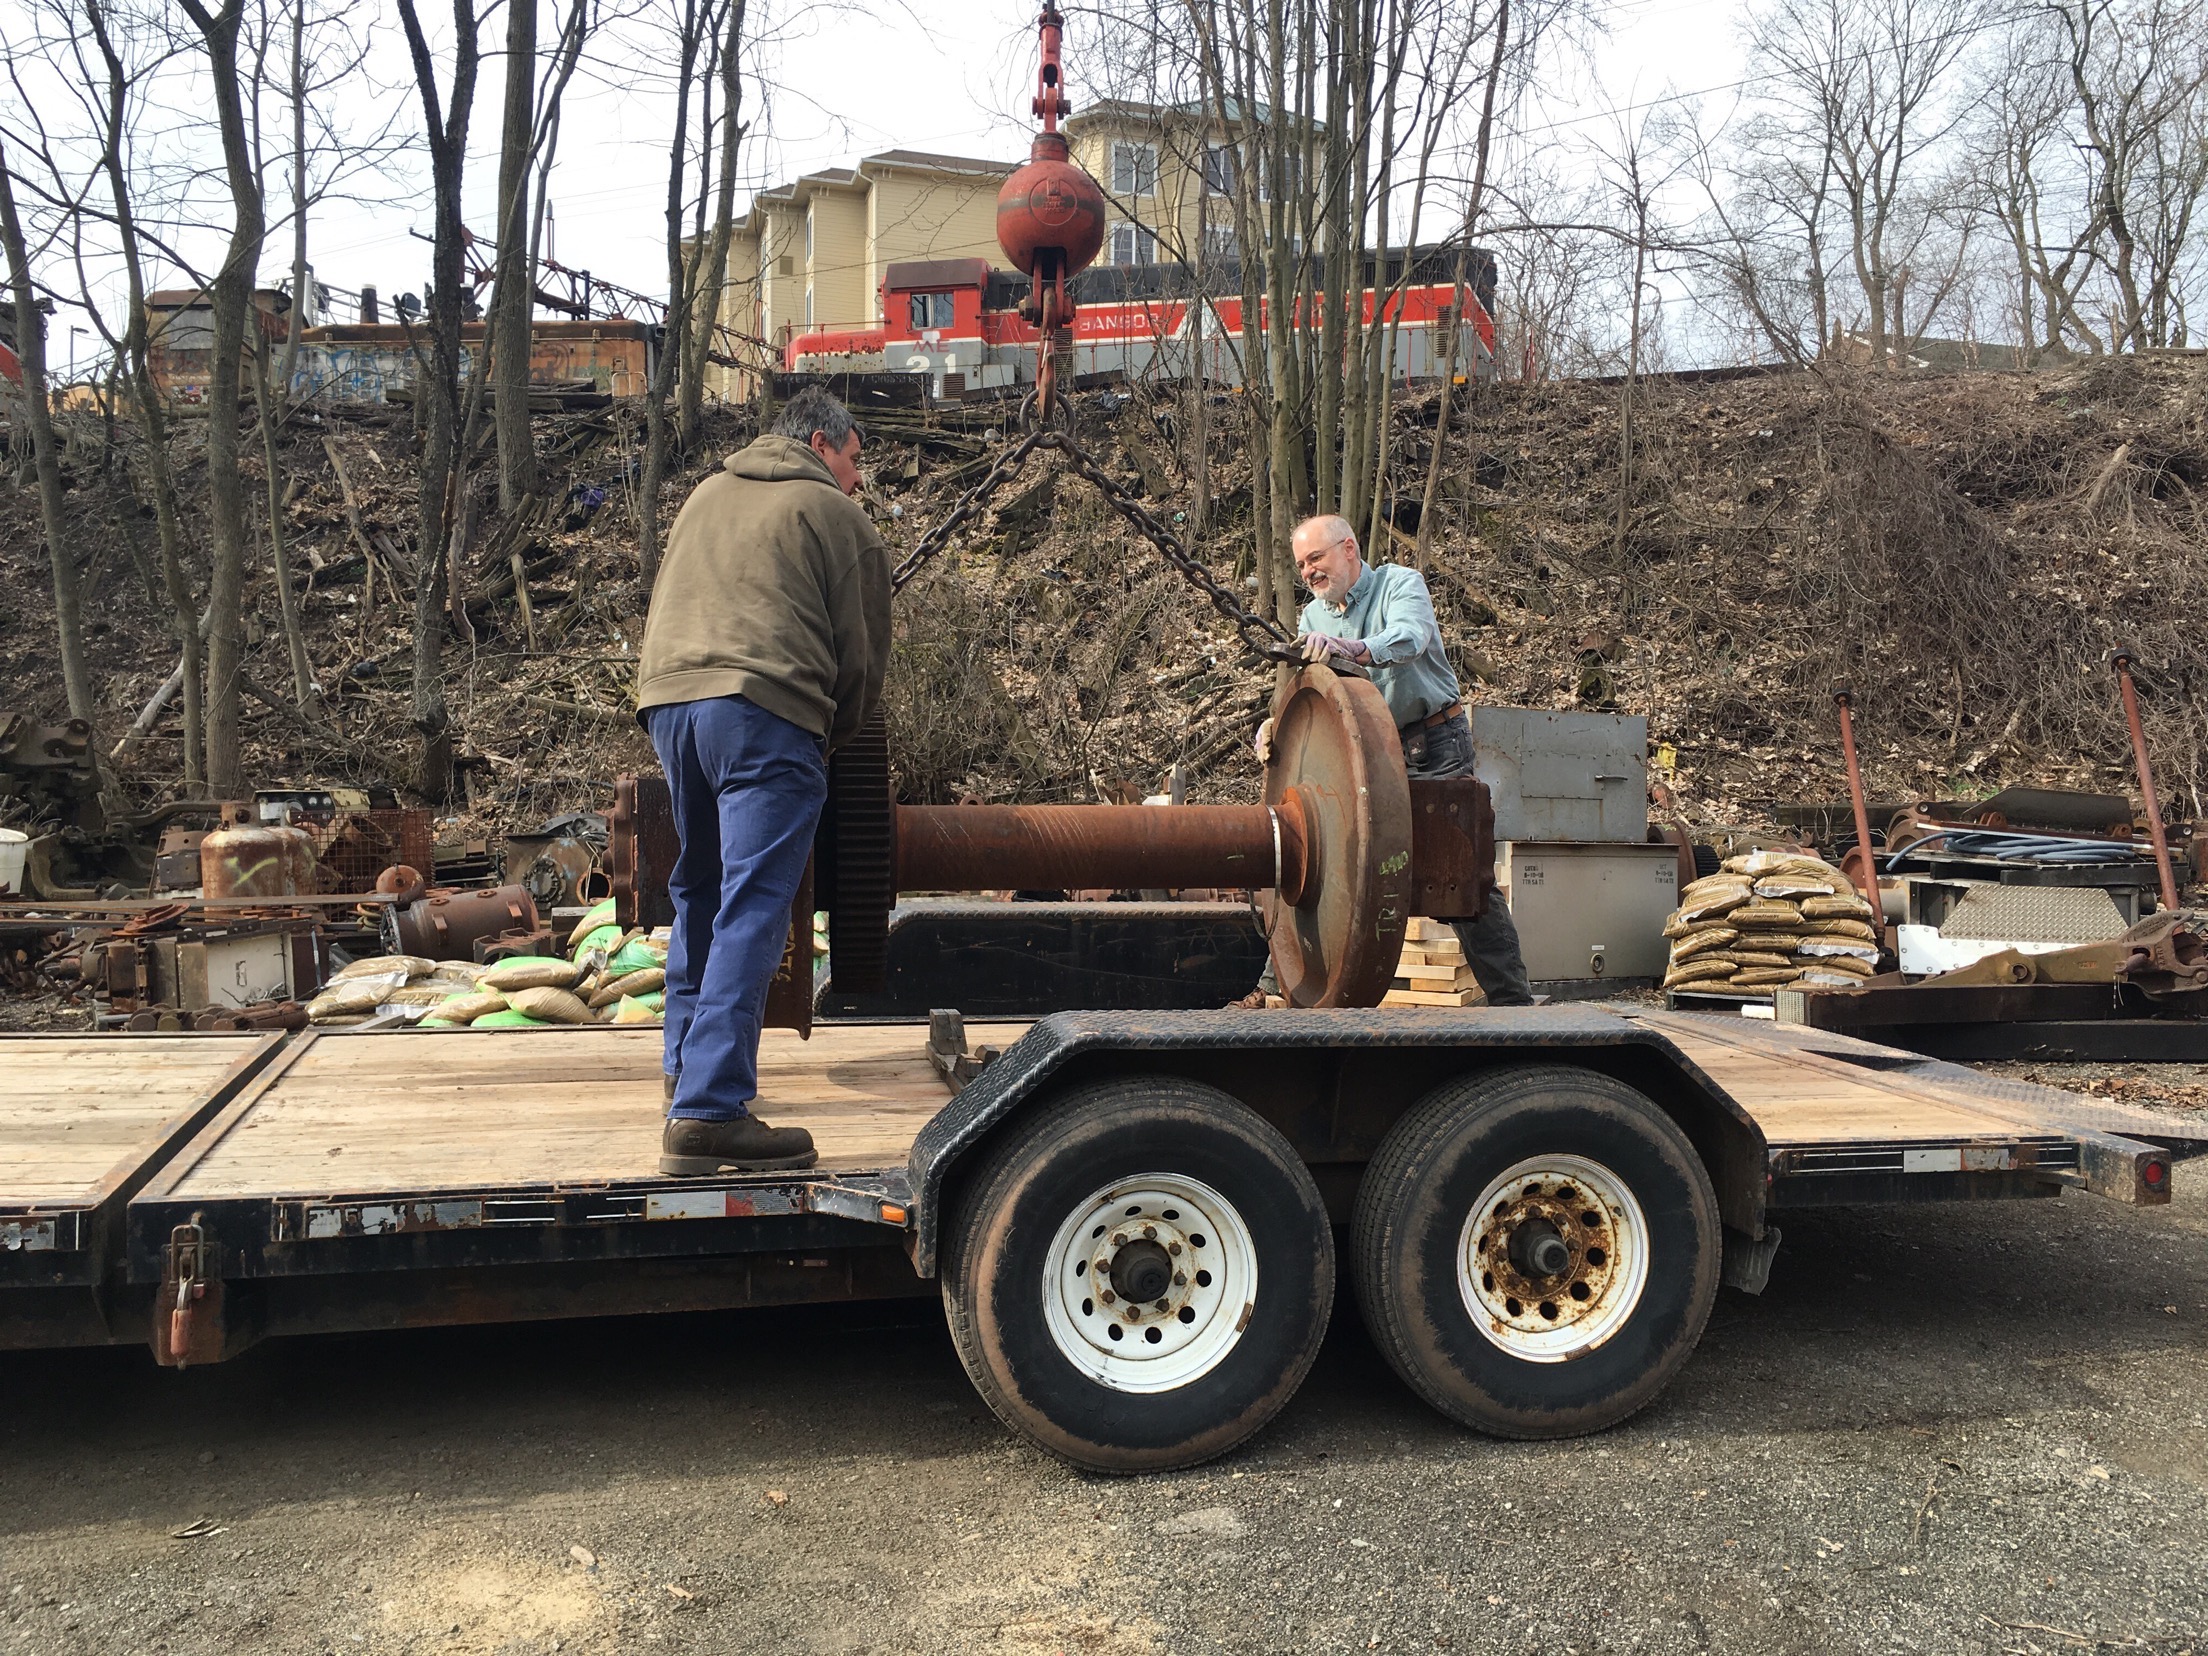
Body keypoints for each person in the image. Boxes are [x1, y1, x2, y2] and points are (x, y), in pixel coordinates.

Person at [635, 387, 890, 1173]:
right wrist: (825, 742)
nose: (858, 480)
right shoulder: (836, 518)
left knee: (700, 892)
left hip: (671, 706)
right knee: (754, 901)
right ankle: (710, 1110)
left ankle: (685, 1069)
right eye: (854, 461)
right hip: (765, 713)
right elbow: (861, 665)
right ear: (822, 443)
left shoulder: (705, 495)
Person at [1240, 513, 1534, 1008]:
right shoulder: (1312, 617)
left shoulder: (1401, 584)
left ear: (1350, 549)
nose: (1308, 572)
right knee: (1325, 856)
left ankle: (1513, 1002)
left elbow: (1409, 639)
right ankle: (1273, 989)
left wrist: (1351, 648)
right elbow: (1309, 693)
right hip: (1364, 753)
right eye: (1300, 564)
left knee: (1457, 871)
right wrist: (1276, 725)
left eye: (1316, 558)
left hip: (1432, 744)